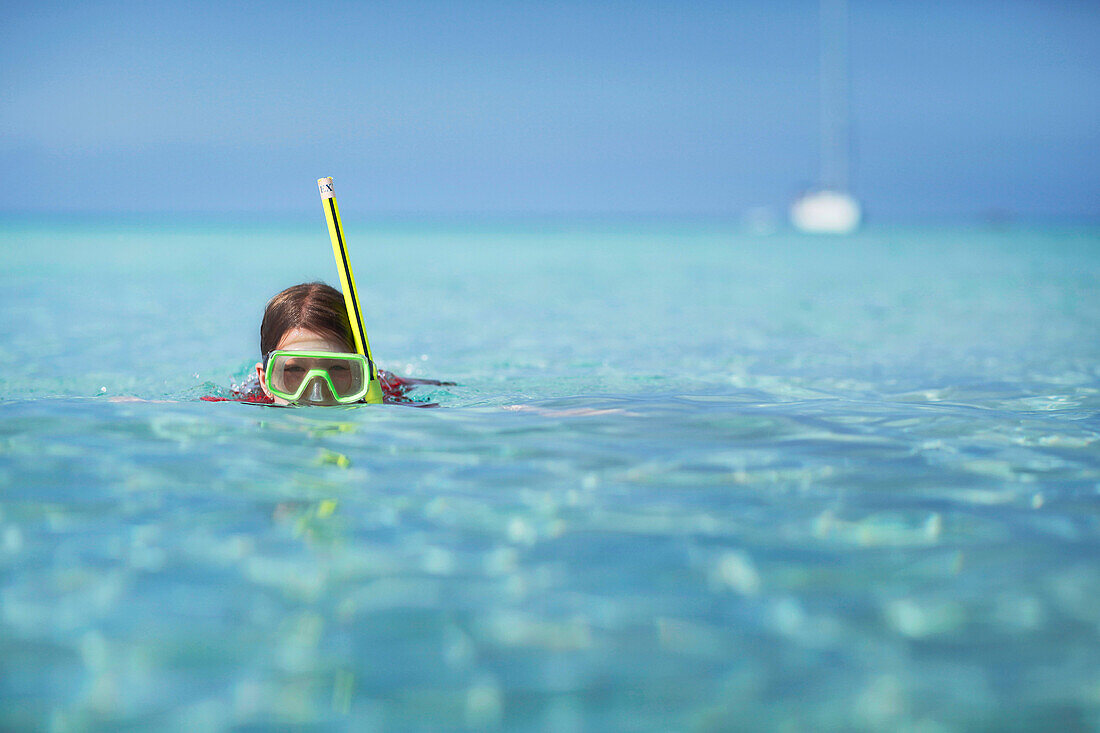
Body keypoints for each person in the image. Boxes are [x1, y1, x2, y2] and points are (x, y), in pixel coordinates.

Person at [207, 282, 449, 406]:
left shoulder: (385, 395)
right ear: (265, 380)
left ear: (363, 375)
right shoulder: (239, 402)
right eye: (294, 369)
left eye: (337, 369)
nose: (316, 393)